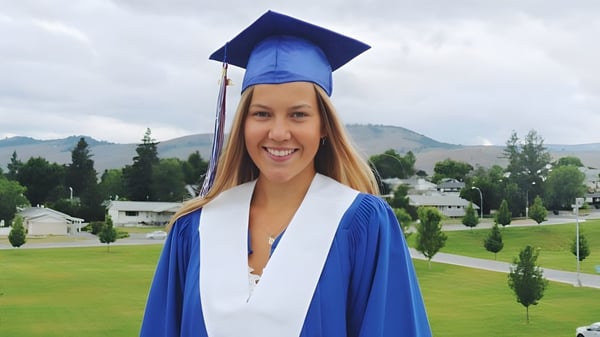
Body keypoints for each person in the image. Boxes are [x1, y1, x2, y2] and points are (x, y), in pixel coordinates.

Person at [140, 10, 432, 337]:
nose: (279, 133)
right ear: (243, 125)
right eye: (262, 114)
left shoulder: (360, 225)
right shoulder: (194, 229)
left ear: (323, 126)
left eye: (298, 115)